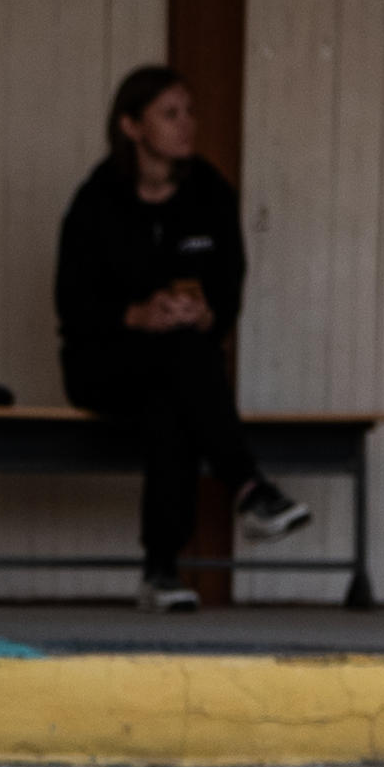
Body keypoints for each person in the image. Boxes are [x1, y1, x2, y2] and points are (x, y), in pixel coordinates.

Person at [53, 63, 310, 610]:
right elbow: (72, 304)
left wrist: (203, 311)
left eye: (190, 111)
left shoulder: (210, 194)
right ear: (131, 126)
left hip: (179, 365)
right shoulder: (96, 201)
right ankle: (246, 486)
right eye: (170, 114)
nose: (187, 124)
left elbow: (229, 287)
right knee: (180, 369)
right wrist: (134, 315)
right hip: (103, 363)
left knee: (172, 399)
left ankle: (161, 574)